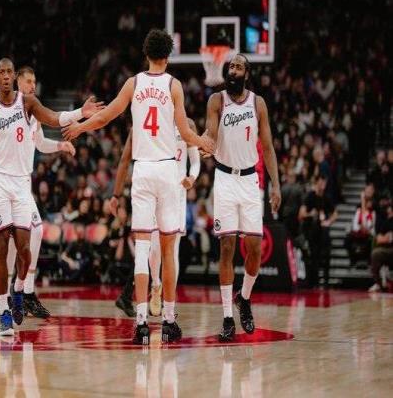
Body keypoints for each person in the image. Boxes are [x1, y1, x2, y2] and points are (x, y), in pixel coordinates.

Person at [63, 29, 214, 344]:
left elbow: (105, 117)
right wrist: (204, 143)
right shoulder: (174, 86)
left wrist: (79, 127)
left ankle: (142, 323)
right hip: (168, 171)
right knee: (169, 250)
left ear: (146, 54)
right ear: (168, 56)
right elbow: (186, 132)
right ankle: (169, 321)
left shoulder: (133, 83)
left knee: (143, 250)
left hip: (142, 170)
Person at [0, 58, 103, 336]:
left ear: (13, 77)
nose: (6, 76)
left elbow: (54, 118)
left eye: (9, 71)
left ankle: (21, 289)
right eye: (2, 72)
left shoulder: (28, 104)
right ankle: (4, 310)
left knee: (25, 248)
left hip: (22, 184)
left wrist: (80, 113)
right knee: (1, 244)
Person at [204, 53, 281, 342]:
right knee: (226, 248)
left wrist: (275, 185)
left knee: (255, 250)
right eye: (231, 66)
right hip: (224, 178)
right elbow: (212, 133)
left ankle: (244, 298)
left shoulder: (257, 103)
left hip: (250, 181)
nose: (233, 70)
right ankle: (227, 317)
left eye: (238, 66)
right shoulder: (217, 100)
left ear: (246, 74)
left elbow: (268, 147)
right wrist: (205, 143)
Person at [4, 66, 76, 319]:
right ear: (17, 82)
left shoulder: (34, 111)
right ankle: (8, 295)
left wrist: (61, 145)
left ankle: (26, 292)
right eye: (28, 81)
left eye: (35, 81)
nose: (33, 85)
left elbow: (41, 143)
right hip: (5, 183)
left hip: (23, 185)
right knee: (10, 241)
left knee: (35, 231)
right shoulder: (7, 108)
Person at [109, 121, 201, 317]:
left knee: (172, 251)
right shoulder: (156, 122)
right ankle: (155, 286)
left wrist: (192, 178)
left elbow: (195, 160)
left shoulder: (188, 124)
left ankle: (168, 304)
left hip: (177, 195)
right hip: (155, 190)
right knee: (153, 250)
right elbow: (128, 157)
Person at [299, 175, 338, 287]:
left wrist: (329, 222)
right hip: (311, 232)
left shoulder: (326, 197)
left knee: (325, 255)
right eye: (320, 183)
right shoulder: (310, 196)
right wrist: (310, 214)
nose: (322, 185)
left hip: (323, 232)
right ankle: (313, 282)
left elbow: (335, 213)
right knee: (313, 257)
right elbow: (301, 214)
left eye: (324, 183)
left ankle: (326, 281)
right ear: (316, 183)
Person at [369, 202, 393, 292]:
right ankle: (379, 284)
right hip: (387, 249)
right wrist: (388, 238)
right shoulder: (386, 222)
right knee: (376, 253)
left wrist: (388, 237)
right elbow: (379, 239)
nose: (389, 212)